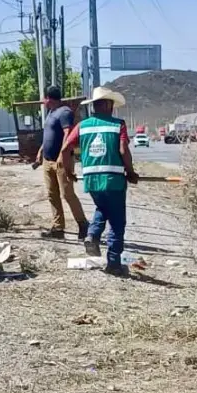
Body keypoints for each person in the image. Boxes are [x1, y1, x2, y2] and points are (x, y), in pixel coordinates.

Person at [60, 86, 139, 276]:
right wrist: (130, 172)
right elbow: (123, 150)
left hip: (92, 181)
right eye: (111, 104)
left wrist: (69, 172)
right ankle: (114, 263)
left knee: (103, 207)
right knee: (117, 222)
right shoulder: (118, 124)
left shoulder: (82, 126)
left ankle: (93, 235)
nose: (112, 108)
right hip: (113, 180)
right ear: (106, 105)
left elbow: (65, 149)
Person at [34, 85, 89, 239]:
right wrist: (40, 151)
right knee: (52, 194)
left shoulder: (65, 112)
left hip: (62, 161)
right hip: (48, 161)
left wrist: (61, 155)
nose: (43, 101)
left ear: (49, 98)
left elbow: (68, 134)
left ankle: (83, 224)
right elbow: (48, 135)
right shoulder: (50, 113)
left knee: (67, 194)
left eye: (44, 98)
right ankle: (58, 228)